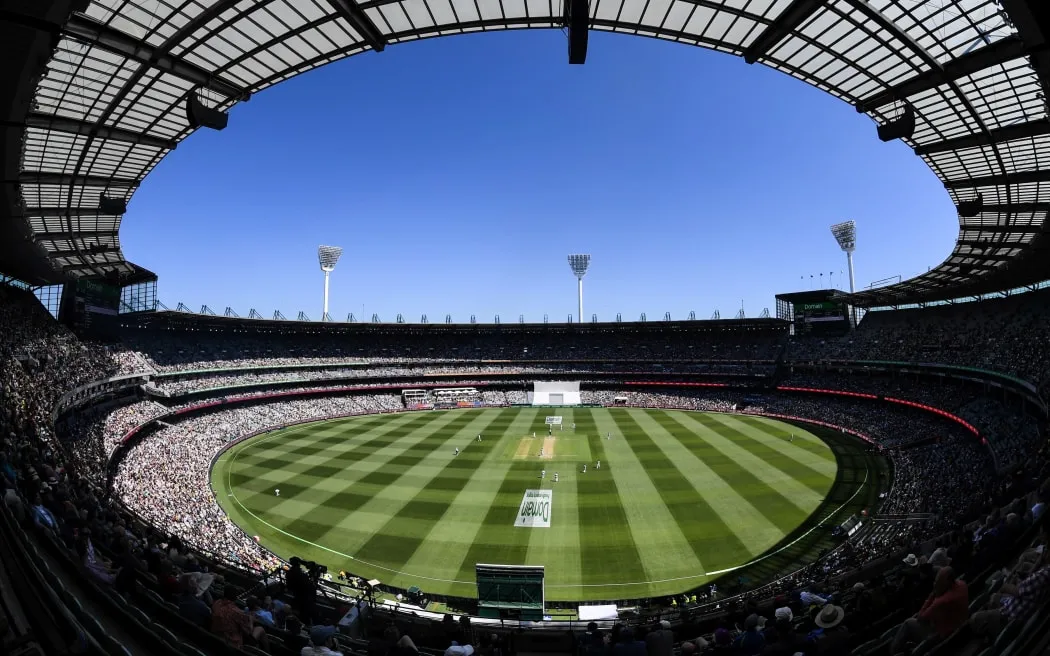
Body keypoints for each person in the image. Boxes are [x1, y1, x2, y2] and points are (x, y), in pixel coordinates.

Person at [891, 567, 968, 655]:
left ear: (945, 582)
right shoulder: (962, 585)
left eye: (938, 581)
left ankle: (893, 652)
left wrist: (933, 593)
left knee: (908, 623)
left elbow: (921, 617)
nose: (935, 583)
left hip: (940, 636)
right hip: (957, 626)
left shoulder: (941, 601)